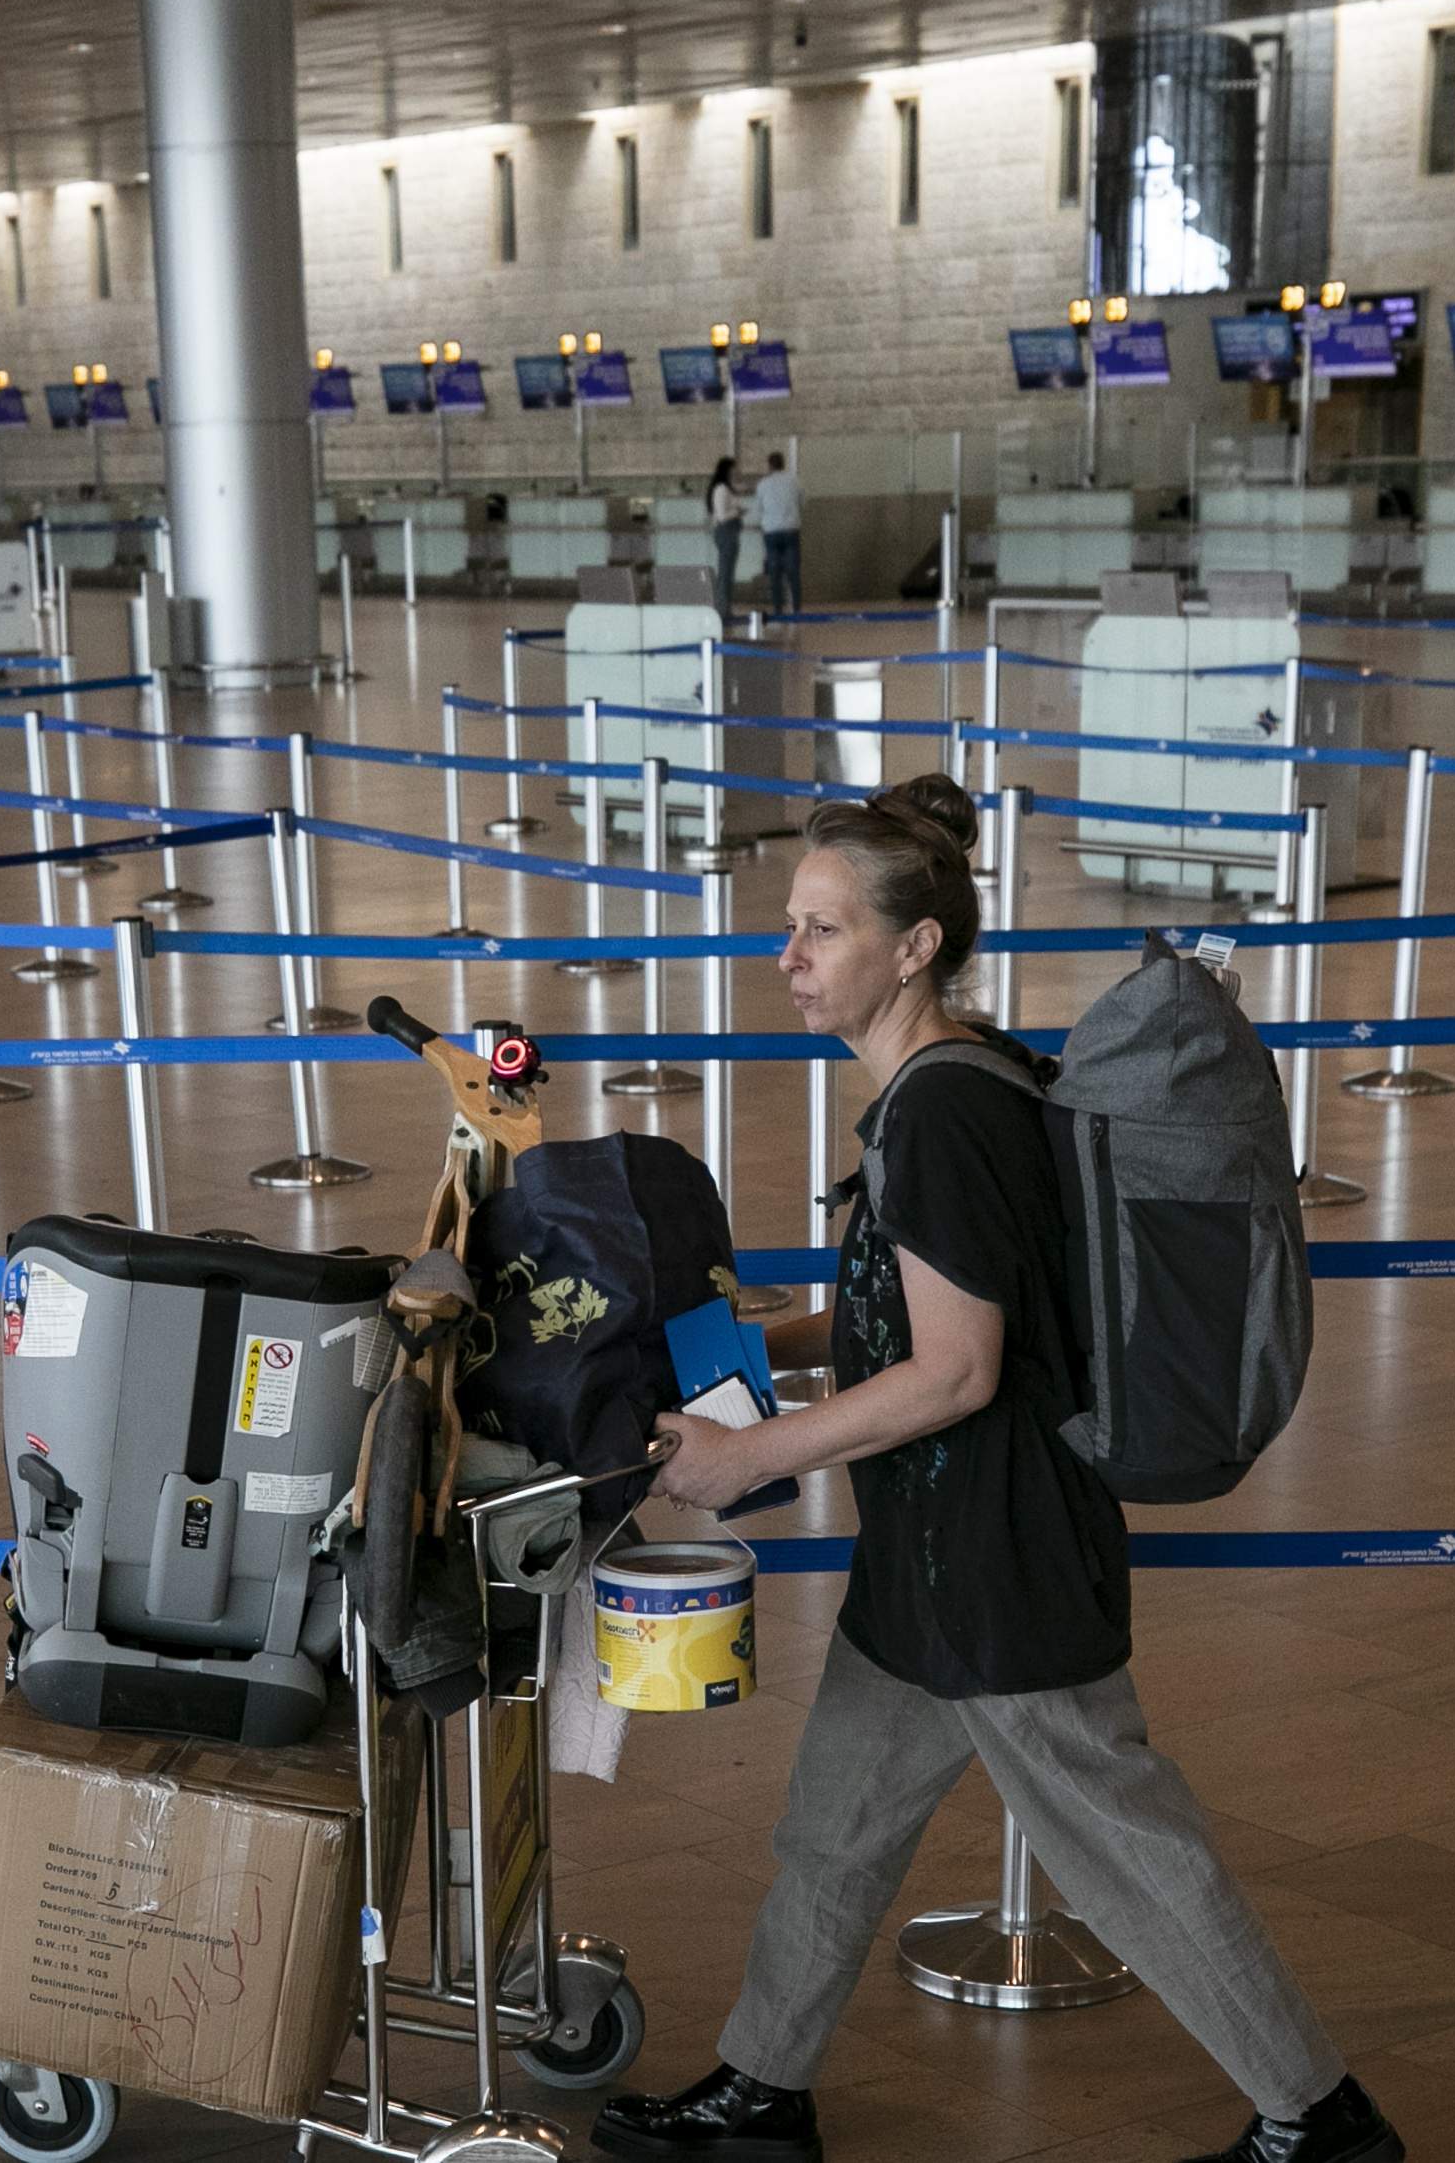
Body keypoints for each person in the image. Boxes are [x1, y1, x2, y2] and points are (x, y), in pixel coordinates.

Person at [593, 777, 1399, 2163]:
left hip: (1000, 1561)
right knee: (833, 1829)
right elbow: (917, 1312)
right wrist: (746, 1346)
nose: (788, 955)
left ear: (914, 947)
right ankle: (761, 2091)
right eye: (790, 924)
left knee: (1129, 1852)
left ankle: (1319, 2118)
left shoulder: (947, 1113)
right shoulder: (948, 1080)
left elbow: (958, 1365)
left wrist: (752, 1454)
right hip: (930, 1561)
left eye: (823, 928)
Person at [753, 450, 802, 616]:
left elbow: (758, 510)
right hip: (790, 529)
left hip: (771, 532)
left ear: (770, 465)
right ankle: (796, 608)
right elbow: (803, 502)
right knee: (793, 571)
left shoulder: (763, 484)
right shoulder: (794, 481)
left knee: (774, 572)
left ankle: (778, 609)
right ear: (783, 464)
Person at [703, 454, 743, 620]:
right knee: (725, 573)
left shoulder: (726, 488)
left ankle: (725, 608)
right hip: (726, 532)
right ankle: (721, 610)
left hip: (729, 532)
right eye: (734, 469)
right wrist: (738, 512)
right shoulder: (721, 489)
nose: (736, 471)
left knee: (728, 572)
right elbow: (721, 516)